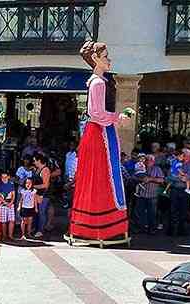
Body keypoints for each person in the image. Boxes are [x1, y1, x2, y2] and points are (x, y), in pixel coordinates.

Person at [68, 41, 131, 243]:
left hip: (100, 131)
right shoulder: (98, 83)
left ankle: (95, 225)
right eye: (105, 56)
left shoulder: (98, 81)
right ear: (95, 59)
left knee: (103, 175)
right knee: (103, 176)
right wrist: (117, 118)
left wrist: (113, 119)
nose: (109, 59)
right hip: (100, 132)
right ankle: (100, 226)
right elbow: (95, 113)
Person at [0, 171, 16, 241]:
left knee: (11, 220)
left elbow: (13, 194)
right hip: (2, 205)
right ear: (1, 178)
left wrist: (11, 202)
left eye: (5, 177)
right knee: (3, 221)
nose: (4, 179)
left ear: (8, 177)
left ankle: (10, 235)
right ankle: (4, 235)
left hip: (10, 204)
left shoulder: (11, 184)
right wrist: (5, 203)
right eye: (2, 177)